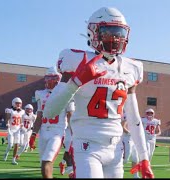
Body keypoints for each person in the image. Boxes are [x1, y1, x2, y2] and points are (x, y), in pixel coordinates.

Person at [43, 7, 154, 178]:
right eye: (109, 31)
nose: (116, 37)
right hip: (87, 147)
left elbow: (133, 118)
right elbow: (50, 111)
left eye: (119, 32)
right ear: (93, 33)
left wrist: (144, 157)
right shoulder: (77, 60)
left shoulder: (131, 68)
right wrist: (76, 81)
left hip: (116, 149)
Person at [29, 66, 75, 178]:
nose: (49, 80)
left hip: (57, 132)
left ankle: (69, 169)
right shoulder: (40, 94)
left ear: (58, 79)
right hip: (44, 131)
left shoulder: (66, 94)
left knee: (47, 161)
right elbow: (39, 115)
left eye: (52, 77)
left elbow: (70, 116)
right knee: (43, 165)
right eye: (47, 77)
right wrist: (34, 134)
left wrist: (74, 135)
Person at [3, 97, 24, 165]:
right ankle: (6, 153)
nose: (18, 105)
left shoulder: (21, 111)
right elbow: (7, 118)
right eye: (17, 103)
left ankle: (13, 159)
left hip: (17, 130)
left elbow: (20, 118)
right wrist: (7, 127)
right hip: (11, 129)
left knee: (17, 144)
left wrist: (21, 124)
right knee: (10, 144)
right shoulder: (10, 110)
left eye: (20, 103)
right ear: (13, 103)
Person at [59, 104, 75, 176]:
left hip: (79, 129)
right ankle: (70, 171)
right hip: (68, 129)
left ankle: (62, 163)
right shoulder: (70, 101)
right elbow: (69, 115)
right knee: (69, 151)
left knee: (71, 151)